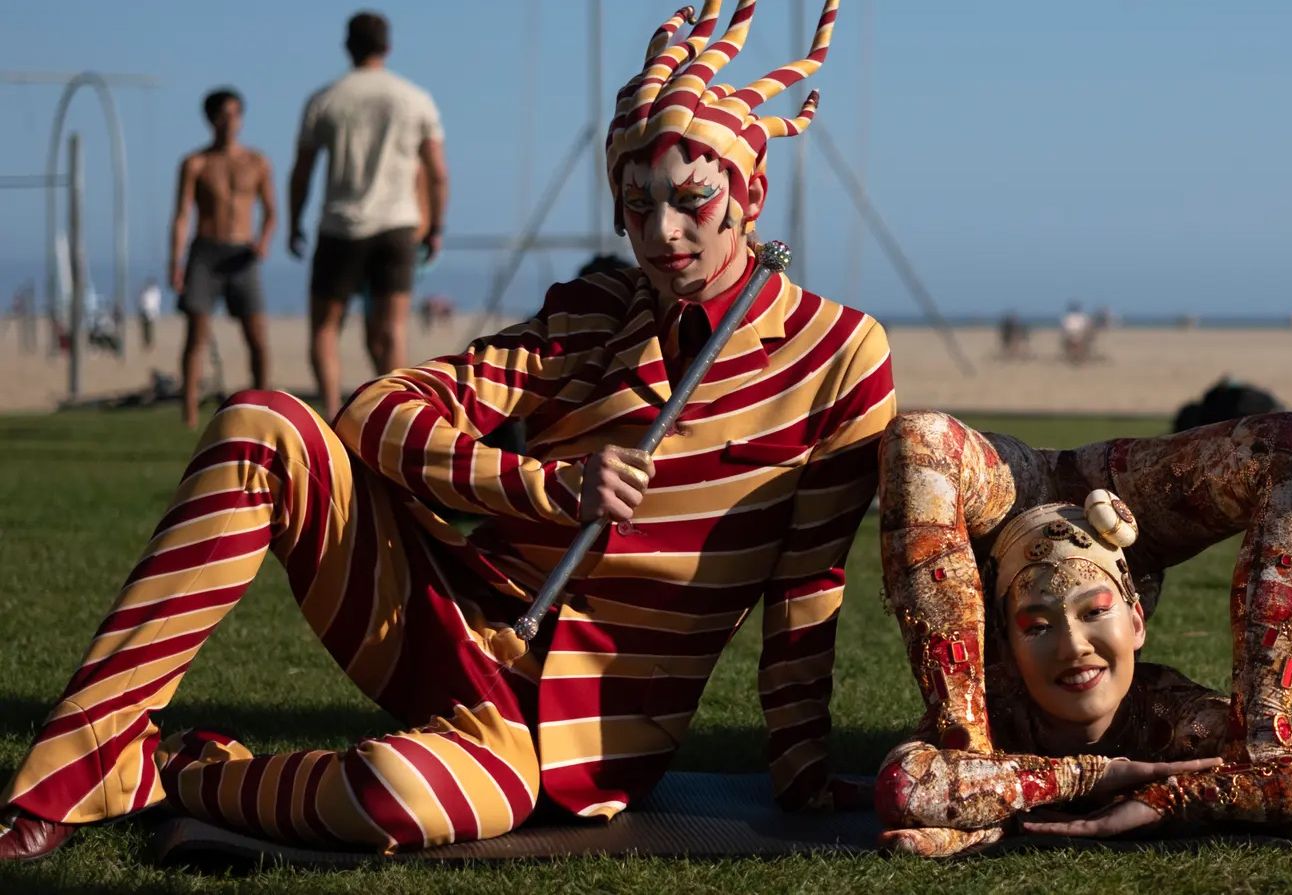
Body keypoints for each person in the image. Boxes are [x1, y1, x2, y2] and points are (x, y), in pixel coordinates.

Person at [0, 0, 891, 860]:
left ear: (751, 191)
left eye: (691, 200)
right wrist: (544, 487)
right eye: (635, 203)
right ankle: (71, 765)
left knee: (394, 792)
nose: (661, 233)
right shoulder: (588, 314)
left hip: (581, 740)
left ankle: (177, 771)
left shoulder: (843, 354)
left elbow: (808, 584)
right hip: (449, 621)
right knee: (261, 424)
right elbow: (373, 412)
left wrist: (803, 772)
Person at [874, 410, 1292, 857]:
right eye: (1039, 627)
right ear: (1002, 643)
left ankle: (1259, 749)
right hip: (1001, 505)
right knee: (918, 436)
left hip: (1127, 499)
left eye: (1094, 614)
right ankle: (971, 755)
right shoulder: (999, 710)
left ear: (1136, 620)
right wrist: (1093, 776)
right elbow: (907, 787)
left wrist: (1171, 799)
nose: (1073, 648)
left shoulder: (1176, 719)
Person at [287, 11, 449, 419]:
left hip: (341, 225)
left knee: (325, 329)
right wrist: (436, 228)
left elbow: (302, 171)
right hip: (398, 224)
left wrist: (293, 222)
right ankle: (400, 417)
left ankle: (330, 414)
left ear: (348, 46)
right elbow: (438, 174)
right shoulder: (415, 98)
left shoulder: (325, 99)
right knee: (392, 330)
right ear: (388, 46)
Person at [170, 88, 275, 428]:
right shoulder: (196, 163)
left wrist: (263, 241)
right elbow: (182, 215)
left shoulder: (257, 162)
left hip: (242, 252)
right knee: (196, 336)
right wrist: (176, 262)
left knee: (257, 336)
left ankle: (263, 408)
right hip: (206, 251)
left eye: (236, 114)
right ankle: (188, 413)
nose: (230, 122)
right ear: (211, 120)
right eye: (223, 115)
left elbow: (271, 211)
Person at [137, 277, 162, 351]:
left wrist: (156, 313)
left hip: (151, 313)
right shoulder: (145, 291)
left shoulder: (155, 292)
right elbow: (142, 302)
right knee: (145, 329)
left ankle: (149, 343)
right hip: (145, 312)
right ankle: (146, 343)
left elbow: (156, 303)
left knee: (149, 329)